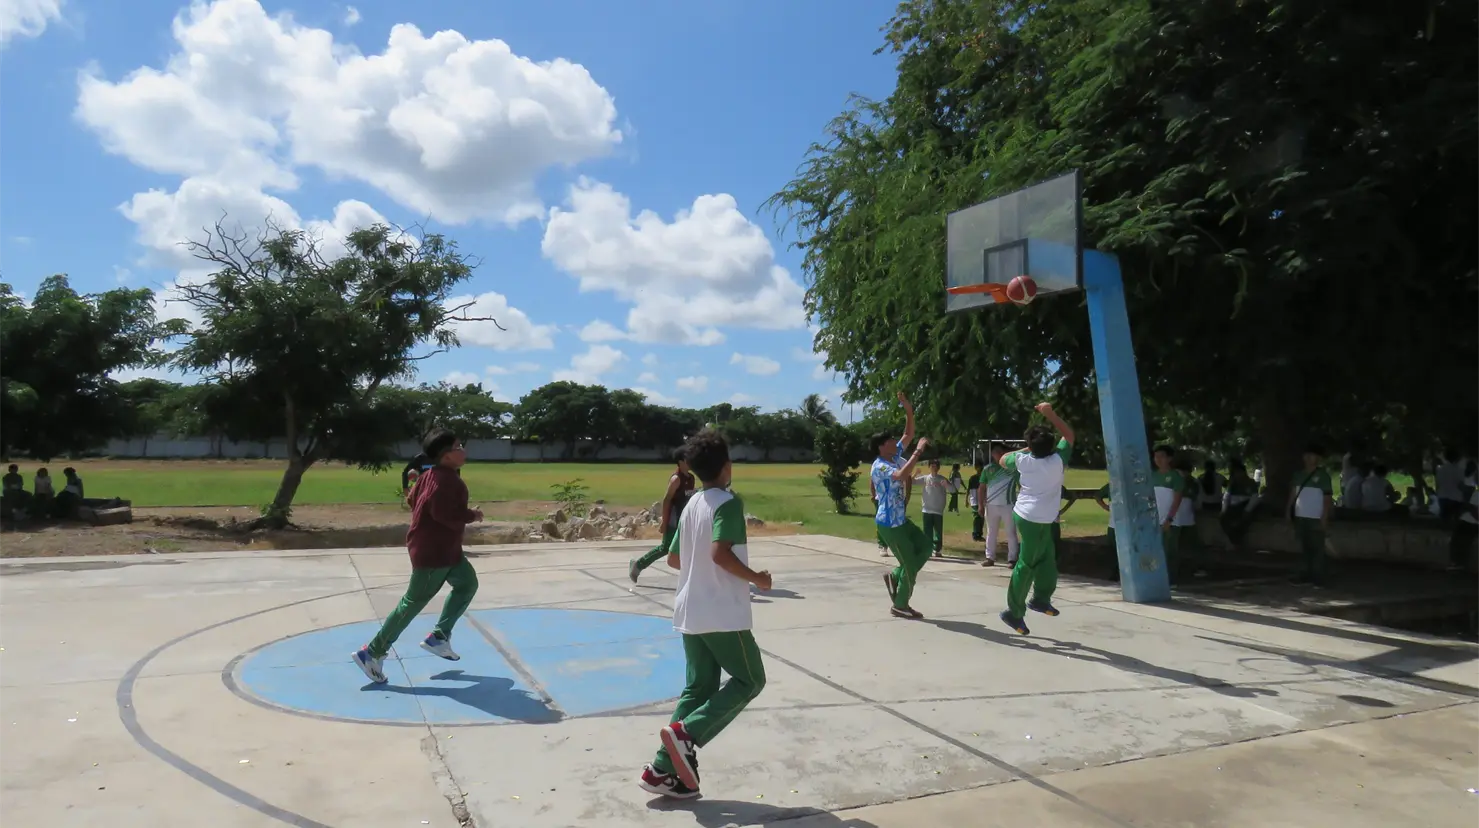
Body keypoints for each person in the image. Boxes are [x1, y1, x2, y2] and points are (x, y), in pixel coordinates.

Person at [638, 429, 770, 800]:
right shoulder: (727, 503)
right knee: (750, 681)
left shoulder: (693, 503)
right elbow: (720, 554)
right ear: (727, 467)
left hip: (690, 608)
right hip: (721, 613)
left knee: (699, 687)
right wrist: (757, 578)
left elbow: (675, 558)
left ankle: (660, 770)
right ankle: (687, 735)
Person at [354, 429, 483, 683]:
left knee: (467, 584)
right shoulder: (450, 481)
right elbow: (443, 514)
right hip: (434, 553)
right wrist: (472, 515)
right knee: (411, 604)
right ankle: (372, 652)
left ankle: (439, 637)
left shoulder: (429, 475)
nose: (463, 450)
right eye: (458, 446)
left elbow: (413, 499)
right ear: (446, 456)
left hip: (447, 550)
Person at [999, 403, 1074, 635]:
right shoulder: (1058, 460)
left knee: (1047, 560)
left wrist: (1027, 449)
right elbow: (1069, 434)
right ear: (1052, 445)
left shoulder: (1023, 460)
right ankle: (1013, 612)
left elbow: (1002, 459)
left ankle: (1040, 599)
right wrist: (1050, 414)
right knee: (1027, 564)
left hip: (1032, 517)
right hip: (1033, 519)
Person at [870, 401, 931, 620]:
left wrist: (908, 410)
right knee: (910, 565)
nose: (896, 442)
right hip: (890, 524)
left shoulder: (893, 455)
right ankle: (901, 604)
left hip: (901, 520)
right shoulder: (880, 466)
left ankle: (896, 576)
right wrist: (917, 452)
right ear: (881, 446)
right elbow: (900, 476)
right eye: (890, 441)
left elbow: (909, 432)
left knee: (925, 547)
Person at [629, 447, 696, 583]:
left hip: (684, 518)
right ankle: (638, 565)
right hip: (673, 518)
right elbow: (667, 500)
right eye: (688, 458)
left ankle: (691, 575)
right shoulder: (676, 479)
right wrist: (664, 523)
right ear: (681, 461)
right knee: (666, 547)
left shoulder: (691, 478)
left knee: (689, 546)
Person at [1287, 444, 1334, 586]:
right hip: (1301, 516)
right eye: (1306, 455)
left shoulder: (1323, 476)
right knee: (1304, 546)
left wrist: (1324, 516)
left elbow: (1327, 499)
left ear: (1318, 458)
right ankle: (1305, 574)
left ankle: (1318, 577)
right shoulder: (1298, 475)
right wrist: (1288, 510)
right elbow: (1293, 494)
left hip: (1315, 516)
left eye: (1312, 455)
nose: (1308, 458)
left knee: (1317, 548)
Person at [979, 445, 1019, 567]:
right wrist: (980, 505)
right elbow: (981, 488)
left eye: (1000, 453)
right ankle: (990, 557)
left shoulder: (1013, 469)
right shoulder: (988, 469)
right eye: (996, 453)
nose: (998, 455)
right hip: (991, 505)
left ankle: (1012, 559)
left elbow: (1021, 486)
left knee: (1011, 532)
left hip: (1008, 504)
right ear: (992, 455)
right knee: (991, 532)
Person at [1151, 447, 1186, 577]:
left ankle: (1171, 579)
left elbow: (1177, 500)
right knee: (1155, 550)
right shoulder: (1152, 476)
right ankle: (1157, 576)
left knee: (1169, 550)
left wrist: (1169, 519)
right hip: (1155, 519)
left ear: (1169, 459)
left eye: (1162, 456)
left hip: (1171, 520)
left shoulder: (1175, 476)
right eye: (1156, 456)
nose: (1158, 459)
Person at [913, 458, 950, 557]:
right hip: (926, 509)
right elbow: (912, 482)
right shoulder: (925, 478)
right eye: (931, 465)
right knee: (927, 531)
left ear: (938, 468)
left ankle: (937, 550)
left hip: (938, 510)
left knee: (938, 531)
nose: (933, 467)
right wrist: (915, 473)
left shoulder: (942, 479)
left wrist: (947, 485)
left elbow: (953, 490)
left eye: (935, 465)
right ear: (929, 467)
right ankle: (927, 549)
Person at [1449, 475, 1478, 572]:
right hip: (1470, 521)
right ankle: (1458, 562)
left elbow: (1473, 510)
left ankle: (1457, 562)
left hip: (1471, 522)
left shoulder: (1476, 494)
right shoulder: (1476, 493)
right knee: (1461, 539)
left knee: (1459, 539)